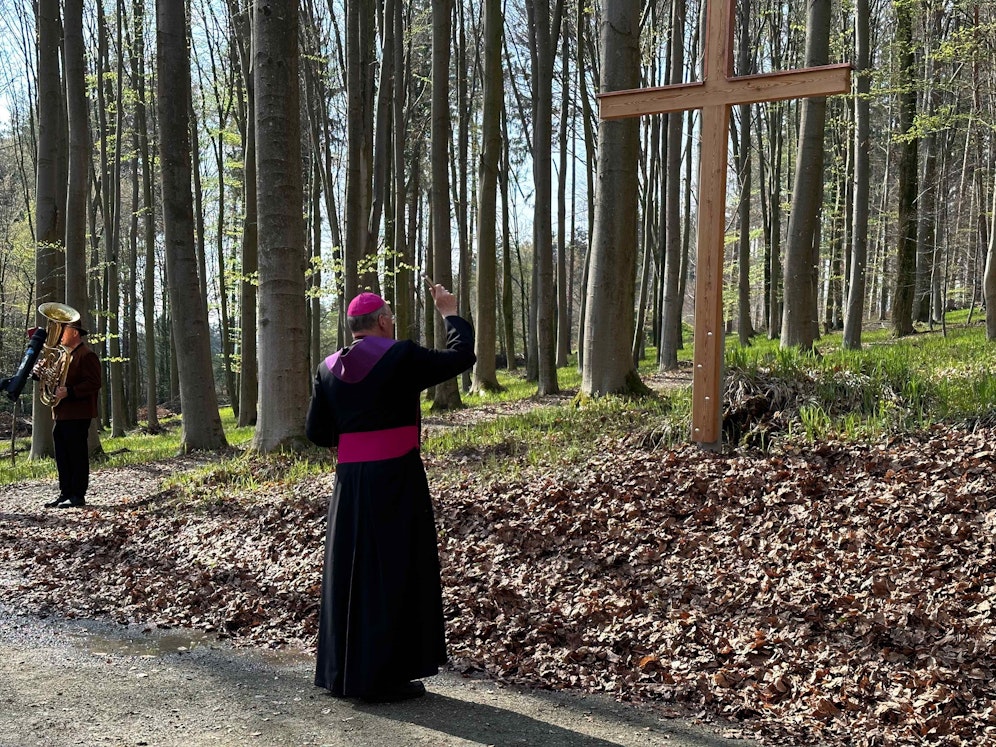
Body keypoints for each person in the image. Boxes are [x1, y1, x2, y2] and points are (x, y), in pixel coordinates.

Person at [305, 282, 475, 702]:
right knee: (393, 568)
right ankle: (386, 677)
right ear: (381, 321)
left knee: (350, 571)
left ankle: (342, 672)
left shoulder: (327, 367)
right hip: (396, 477)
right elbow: (460, 357)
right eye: (391, 318)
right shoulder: (400, 355)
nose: (393, 323)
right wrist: (450, 313)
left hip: (350, 482)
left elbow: (316, 431)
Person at [40, 318, 102, 509]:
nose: (59, 334)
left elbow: (94, 382)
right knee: (62, 455)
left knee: (76, 454)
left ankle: (77, 495)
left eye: (63, 330)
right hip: (61, 413)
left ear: (75, 332)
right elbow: (54, 380)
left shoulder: (86, 355)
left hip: (78, 413)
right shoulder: (63, 356)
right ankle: (65, 492)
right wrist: (40, 374)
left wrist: (71, 391)